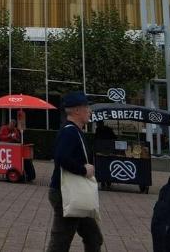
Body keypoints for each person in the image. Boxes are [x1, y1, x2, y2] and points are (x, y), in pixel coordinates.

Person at [47, 91, 103, 252]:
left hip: (72, 193)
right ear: (77, 110)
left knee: (94, 238)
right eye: (87, 108)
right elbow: (60, 157)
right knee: (60, 242)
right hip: (67, 193)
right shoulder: (70, 132)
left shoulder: (74, 131)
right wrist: (83, 169)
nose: (90, 111)